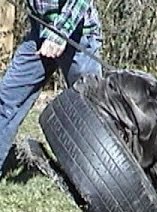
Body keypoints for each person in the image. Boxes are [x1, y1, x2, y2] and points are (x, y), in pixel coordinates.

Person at [0, 0, 102, 178]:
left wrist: (59, 34)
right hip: (40, 31)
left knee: (92, 113)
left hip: (79, 35)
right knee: (6, 99)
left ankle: (101, 184)